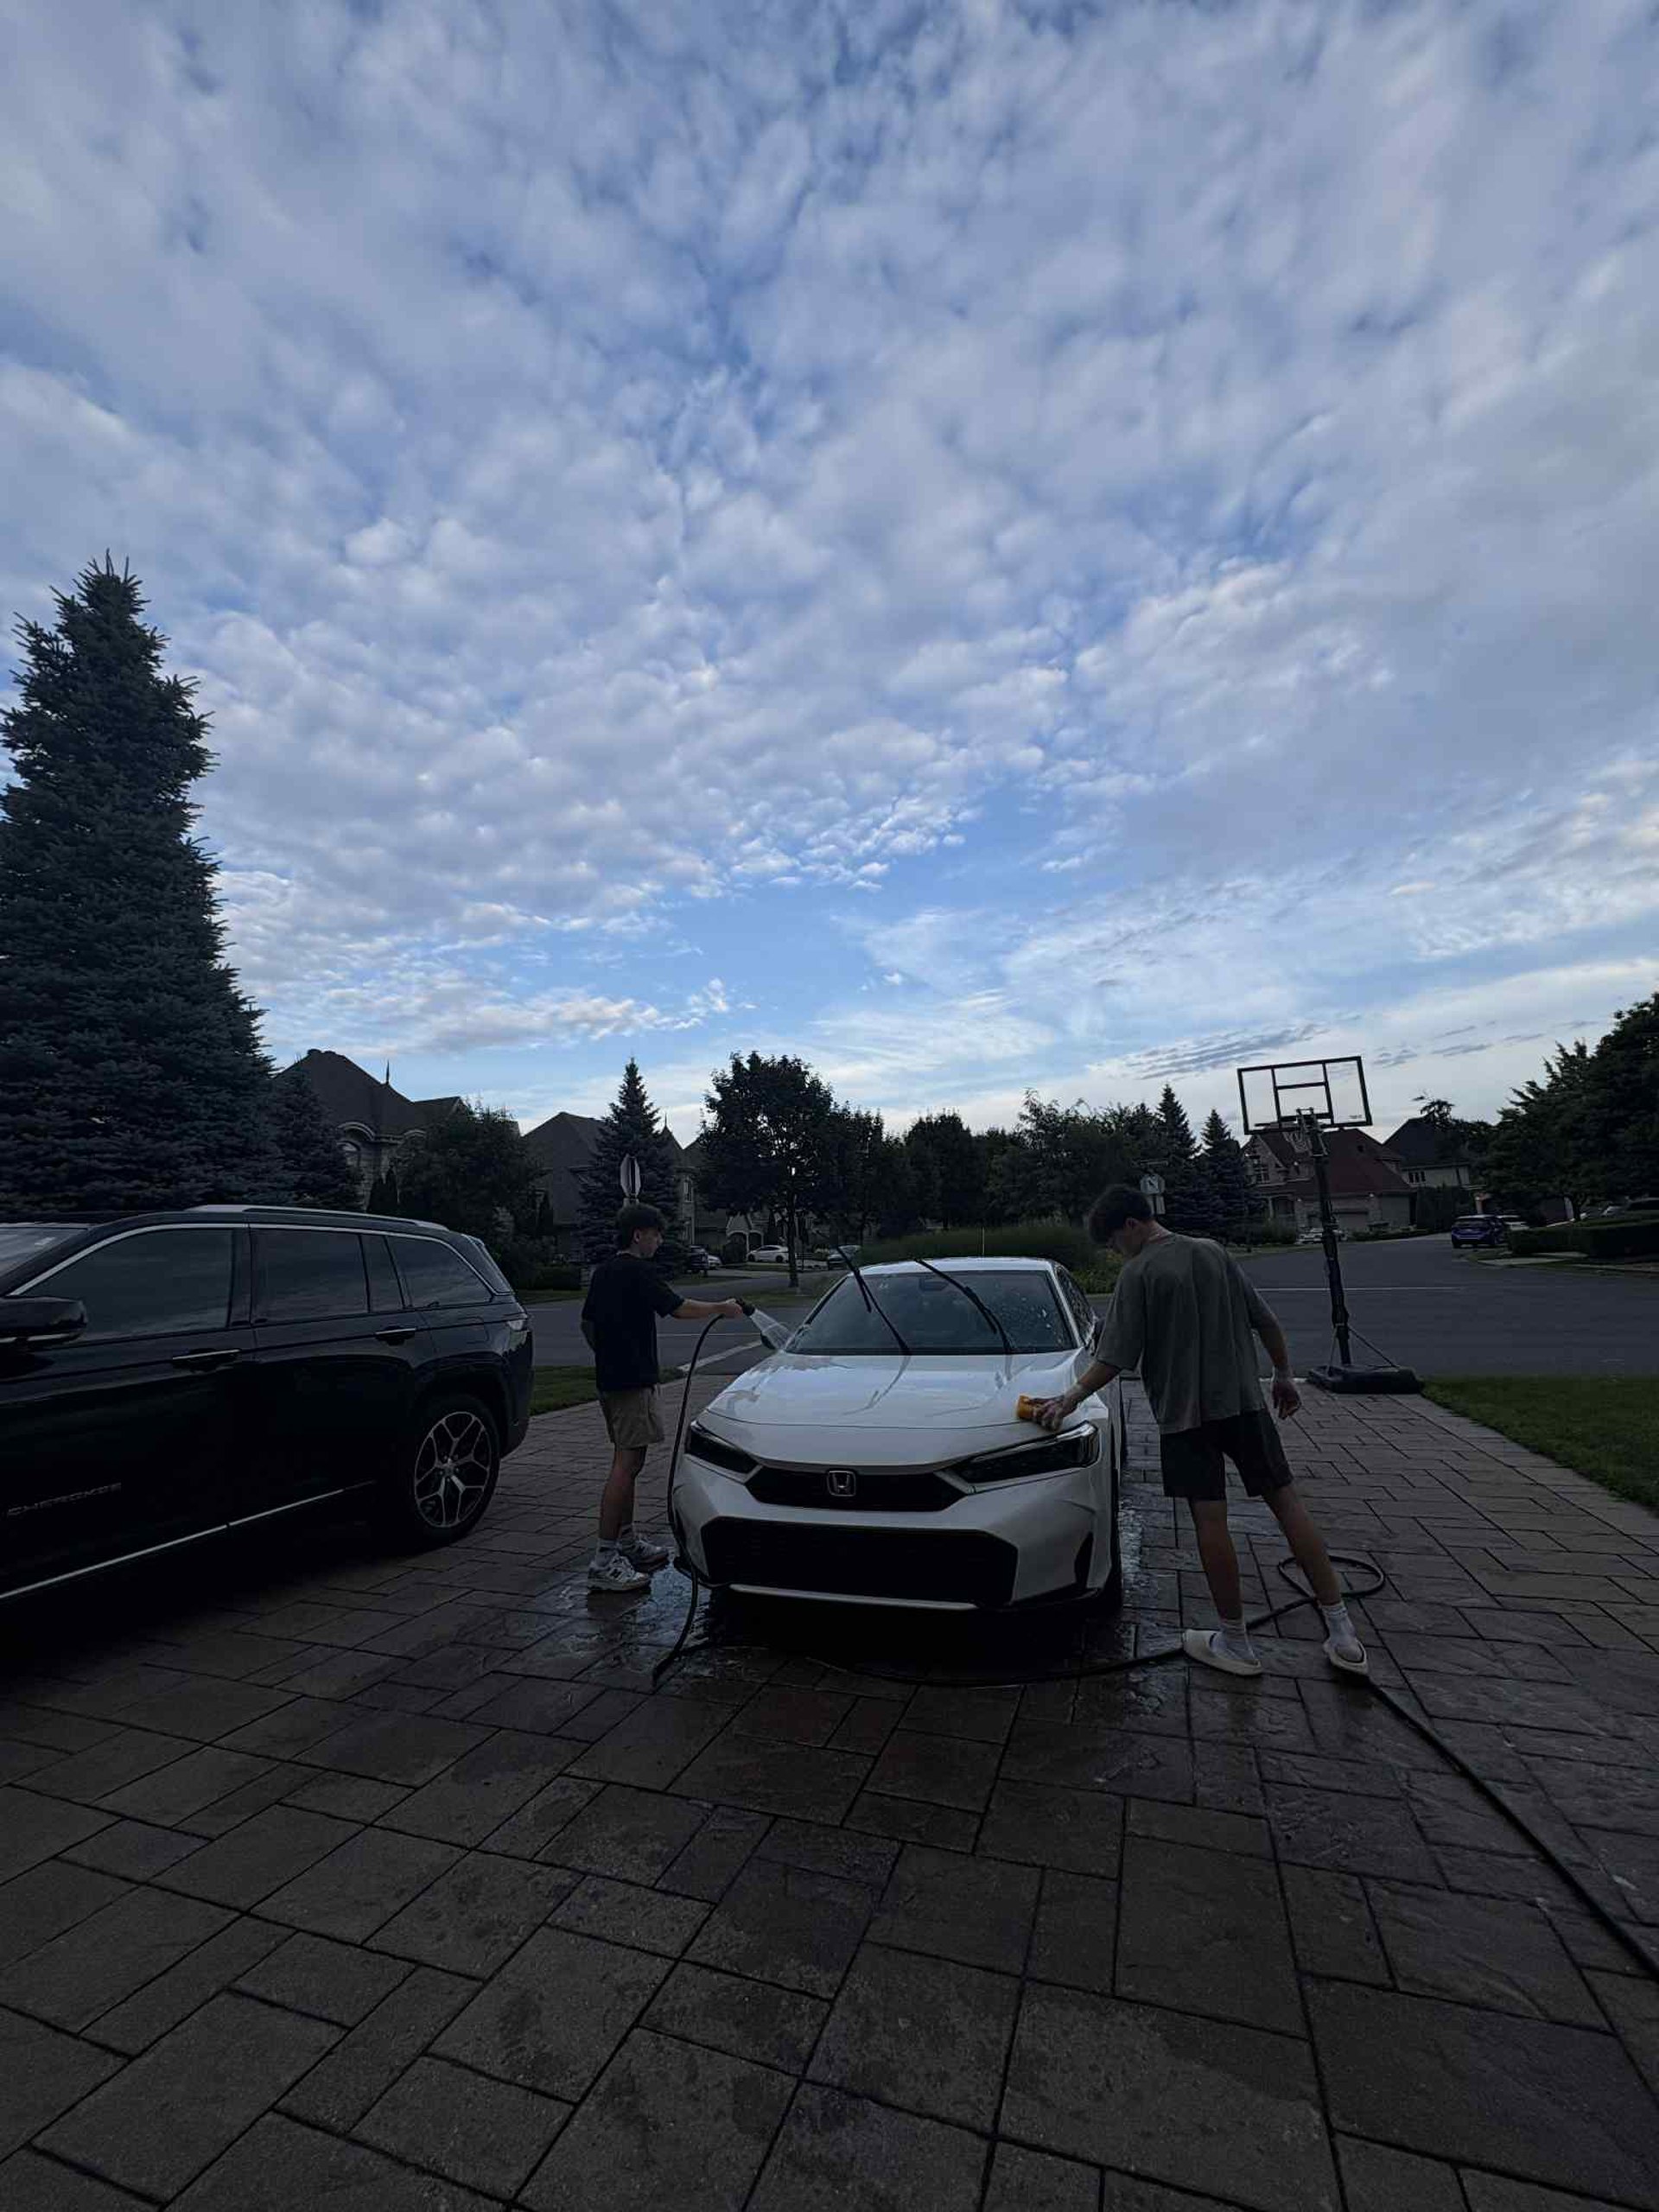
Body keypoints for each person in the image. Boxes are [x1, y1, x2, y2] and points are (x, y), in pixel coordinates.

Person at [1034, 1185, 1367, 1677]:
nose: (1114, 1251)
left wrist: (1068, 1399)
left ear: (1130, 1225)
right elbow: (1267, 1322)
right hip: (1245, 1405)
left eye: (1112, 1241)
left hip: (1186, 1419)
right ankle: (1344, 1636)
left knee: (1211, 1523)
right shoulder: (1213, 1252)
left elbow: (1113, 1358)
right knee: (1288, 1504)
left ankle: (1236, 1644)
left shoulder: (1139, 1273)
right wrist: (1281, 1375)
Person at [581, 1203, 747, 1592]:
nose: (659, 1240)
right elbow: (678, 1309)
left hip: (611, 1380)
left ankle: (626, 1542)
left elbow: (587, 1323)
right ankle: (605, 1559)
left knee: (631, 1461)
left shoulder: (604, 1272)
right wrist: (721, 1308)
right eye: (656, 1233)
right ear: (639, 1234)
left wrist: (609, 1355)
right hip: (632, 1382)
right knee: (626, 1463)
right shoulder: (637, 1271)